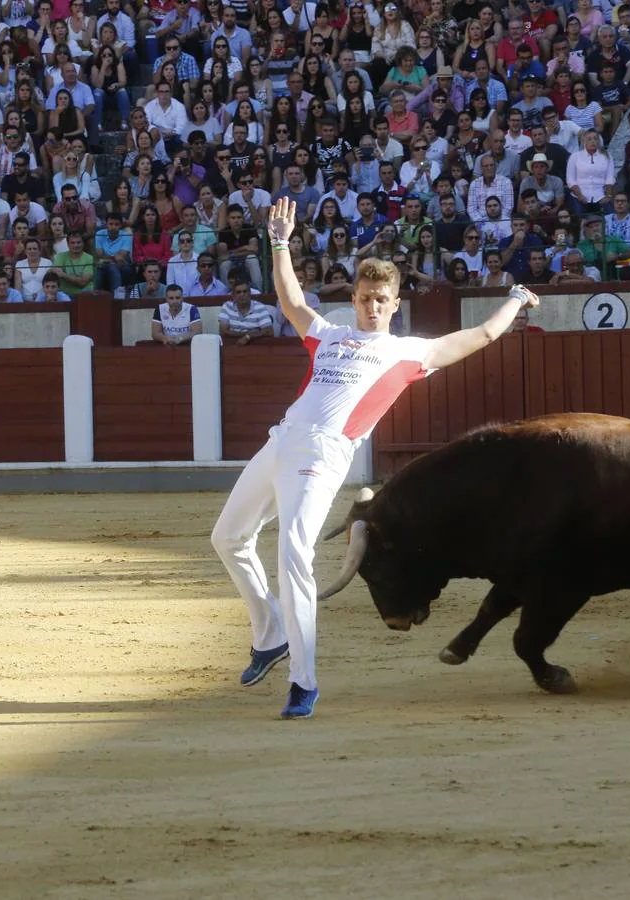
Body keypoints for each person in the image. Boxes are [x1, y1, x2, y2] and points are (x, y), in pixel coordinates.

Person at [211, 197, 541, 720]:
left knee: (293, 554)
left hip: (322, 455)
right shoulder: (330, 335)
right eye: (364, 297)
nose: (370, 306)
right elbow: (291, 300)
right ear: (356, 297)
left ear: (394, 303)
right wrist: (278, 242)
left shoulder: (409, 352)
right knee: (227, 537)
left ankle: (303, 681)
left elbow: (479, 336)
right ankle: (270, 634)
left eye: (379, 299)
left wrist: (516, 299)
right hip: (281, 441)